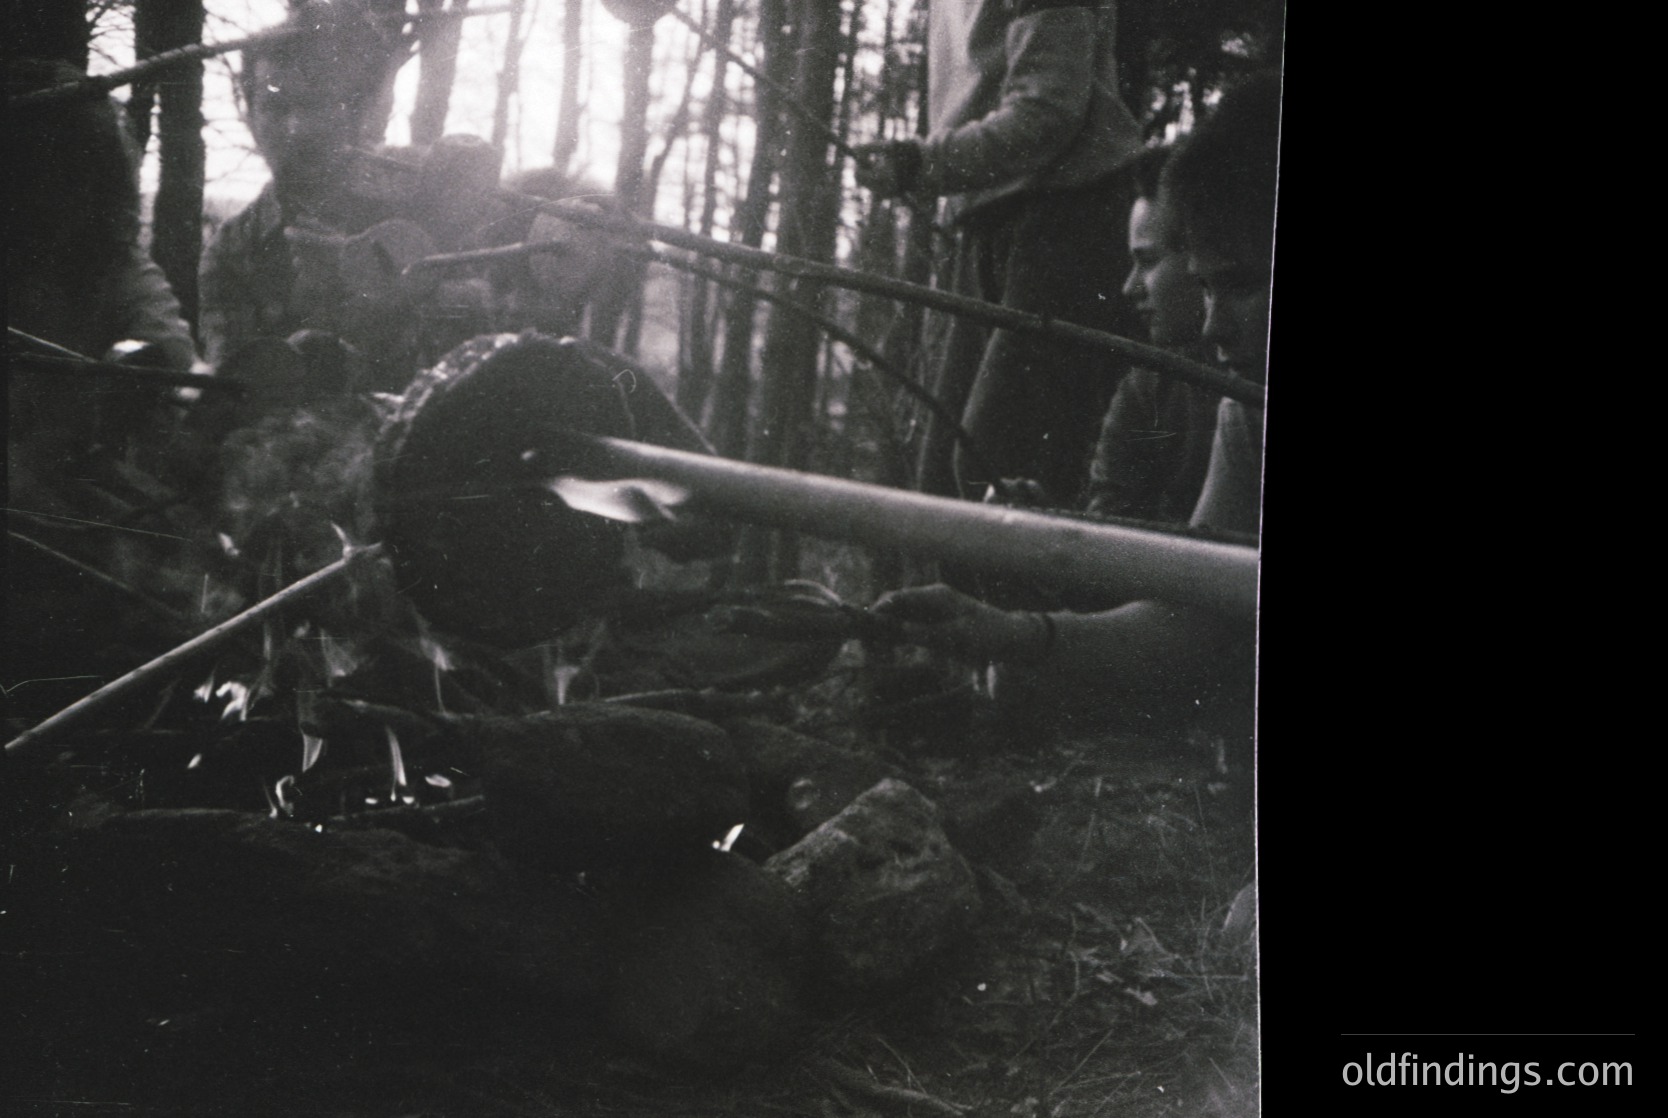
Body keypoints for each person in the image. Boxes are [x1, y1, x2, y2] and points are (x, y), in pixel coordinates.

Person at [871, 70, 1281, 710]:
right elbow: (1188, 622)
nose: (1213, 326)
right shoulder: (1248, 408)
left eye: (1244, 285)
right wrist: (1014, 635)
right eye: (1205, 288)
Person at [854, 0, 1147, 504]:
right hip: (993, 224)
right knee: (944, 482)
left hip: (1069, 216)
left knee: (998, 465)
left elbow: (1047, 112)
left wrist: (922, 164)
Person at [1083, 144, 1222, 525]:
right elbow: (1109, 538)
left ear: (1202, 254)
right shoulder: (1147, 389)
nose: (1130, 287)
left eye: (1147, 261)